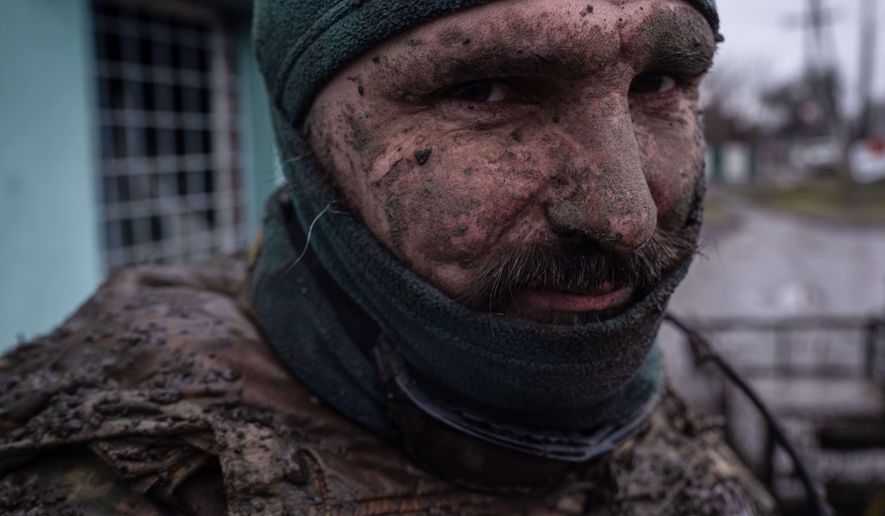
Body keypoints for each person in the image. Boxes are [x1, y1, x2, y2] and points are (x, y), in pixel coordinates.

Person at [0, 0, 777, 514]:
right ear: (307, 141)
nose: (624, 217)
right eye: (485, 90)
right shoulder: (119, 472)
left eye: (660, 82)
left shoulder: (662, 419)